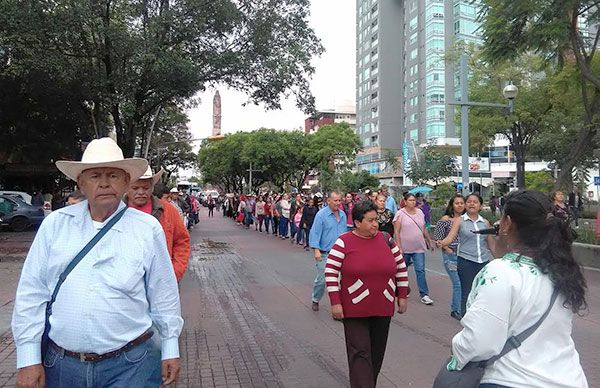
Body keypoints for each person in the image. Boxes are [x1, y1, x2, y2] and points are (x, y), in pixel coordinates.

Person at [12, 138, 183, 387]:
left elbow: (163, 294)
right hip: (62, 366)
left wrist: (170, 348)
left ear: (126, 181)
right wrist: (28, 358)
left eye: (113, 175)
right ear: (80, 183)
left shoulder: (147, 229)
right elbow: (32, 292)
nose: (104, 183)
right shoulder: (55, 225)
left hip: (132, 365)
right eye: (94, 176)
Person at [447, 190, 588, 387]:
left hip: (511, 379)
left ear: (508, 223)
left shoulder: (501, 272)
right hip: (569, 378)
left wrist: (457, 351)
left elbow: (479, 343)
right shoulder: (562, 270)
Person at [326, 201, 409, 388]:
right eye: (370, 220)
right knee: (360, 353)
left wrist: (402, 295)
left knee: (376, 353)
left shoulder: (386, 239)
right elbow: (331, 271)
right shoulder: (344, 241)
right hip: (354, 308)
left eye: (376, 220)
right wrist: (335, 302)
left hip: (383, 306)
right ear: (357, 222)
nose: (375, 224)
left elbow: (401, 268)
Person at [126, 166, 191, 282]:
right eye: (135, 188)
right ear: (126, 187)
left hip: (163, 280)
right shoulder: (115, 210)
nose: (141, 192)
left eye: (145, 188)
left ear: (152, 187)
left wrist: (175, 272)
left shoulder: (168, 211)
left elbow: (182, 241)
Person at [436, 193, 496, 315]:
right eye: (469, 202)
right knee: (466, 292)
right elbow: (450, 238)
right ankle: (465, 318)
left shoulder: (485, 222)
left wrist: (502, 259)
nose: (471, 204)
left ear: (480, 205)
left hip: (483, 262)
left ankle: (479, 317)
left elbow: (492, 245)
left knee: (482, 292)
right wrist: (442, 243)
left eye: (475, 202)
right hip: (466, 261)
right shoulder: (459, 221)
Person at [308, 191, 347, 311]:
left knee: (341, 281)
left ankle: (338, 305)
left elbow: (345, 234)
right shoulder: (321, 215)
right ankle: (315, 299)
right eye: (335, 200)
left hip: (340, 253)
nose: (338, 203)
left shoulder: (342, 215)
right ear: (328, 201)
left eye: (339, 200)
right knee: (322, 279)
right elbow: (315, 233)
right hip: (325, 253)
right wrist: (316, 250)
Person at [393, 193, 435, 305]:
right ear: (405, 201)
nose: (412, 202)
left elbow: (423, 228)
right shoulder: (400, 214)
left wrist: (429, 241)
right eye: (410, 200)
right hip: (405, 248)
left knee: (420, 270)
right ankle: (402, 290)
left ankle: (424, 294)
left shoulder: (420, 212)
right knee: (402, 271)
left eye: (414, 200)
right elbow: (396, 231)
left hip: (418, 247)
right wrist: (399, 246)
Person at [432, 194, 465, 320]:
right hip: (450, 256)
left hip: (463, 255)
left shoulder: (466, 220)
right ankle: (456, 310)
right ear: (452, 205)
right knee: (458, 284)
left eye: (462, 203)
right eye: (457, 203)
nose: (460, 205)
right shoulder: (445, 219)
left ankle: (462, 308)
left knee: (464, 283)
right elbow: (437, 238)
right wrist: (447, 249)